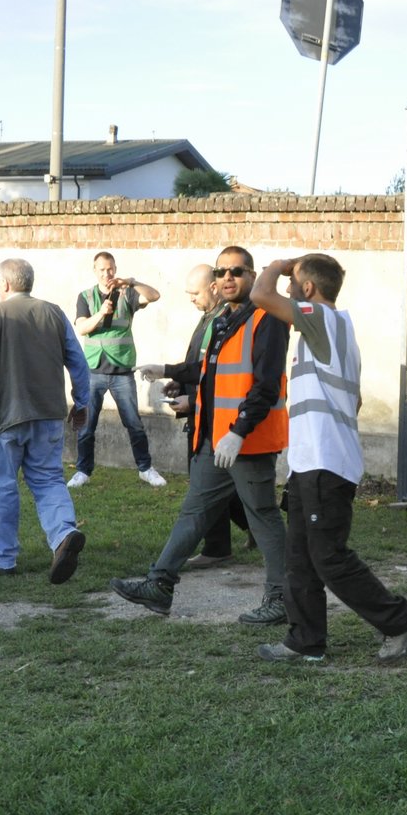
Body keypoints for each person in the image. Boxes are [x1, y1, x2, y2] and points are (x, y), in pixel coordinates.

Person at [249, 254, 407, 663]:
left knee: (328, 557)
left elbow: (260, 294)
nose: (289, 288)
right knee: (300, 559)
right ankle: (305, 642)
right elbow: (355, 399)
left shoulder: (318, 318)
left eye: (294, 282)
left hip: (325, 464)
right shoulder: (337, 333)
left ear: (307, 289)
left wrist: (278, 264)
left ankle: (399, 618)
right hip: (311, 463)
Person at [110, 245, 290, 625]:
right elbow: (208, 370)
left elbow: (266, 385)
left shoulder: (267, 318)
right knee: (193, 513)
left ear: (253, 276)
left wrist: (239, 432)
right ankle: (160, 584)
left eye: (237, 271)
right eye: (222, 271)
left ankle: (283, 596)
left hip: (247, 441)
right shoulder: (225, 317)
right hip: (215, 440)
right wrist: (168, 371)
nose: (227, 278)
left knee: (262, 516)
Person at [0, 258, 91, 583]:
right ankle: (63, 534)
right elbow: (78, 362)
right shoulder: (54, 313)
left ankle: (2, 559)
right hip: (49, 415)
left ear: (6, 284)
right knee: (49, 480)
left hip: (3, 418)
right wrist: (81, 402)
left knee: (1, 487)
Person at [153, 262, 250, 568]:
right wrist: (180, 381)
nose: (190, 299)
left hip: (215, 417)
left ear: (212, 288)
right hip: (204, 413)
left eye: (194, 293)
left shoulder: (224, 319)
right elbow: (199, 362)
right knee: (220, 481)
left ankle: (217, 548)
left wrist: (193, 402)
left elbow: (220, 374)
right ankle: (254, 529)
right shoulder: (209, 316)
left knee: (206, 483)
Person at [69, 251, 165, 489]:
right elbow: (82, 328)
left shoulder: (128, 293)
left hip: (121, 371)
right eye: (101, 269)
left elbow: (155, 296)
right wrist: (101, 313)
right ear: (95, 271)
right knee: (87, 425)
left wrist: (131, 281)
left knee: (133, 423)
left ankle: (145, 469)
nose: (107, 273)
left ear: (115, 268)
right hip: (93, 371)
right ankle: (83, 471)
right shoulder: (86, 297)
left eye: (110, 268)